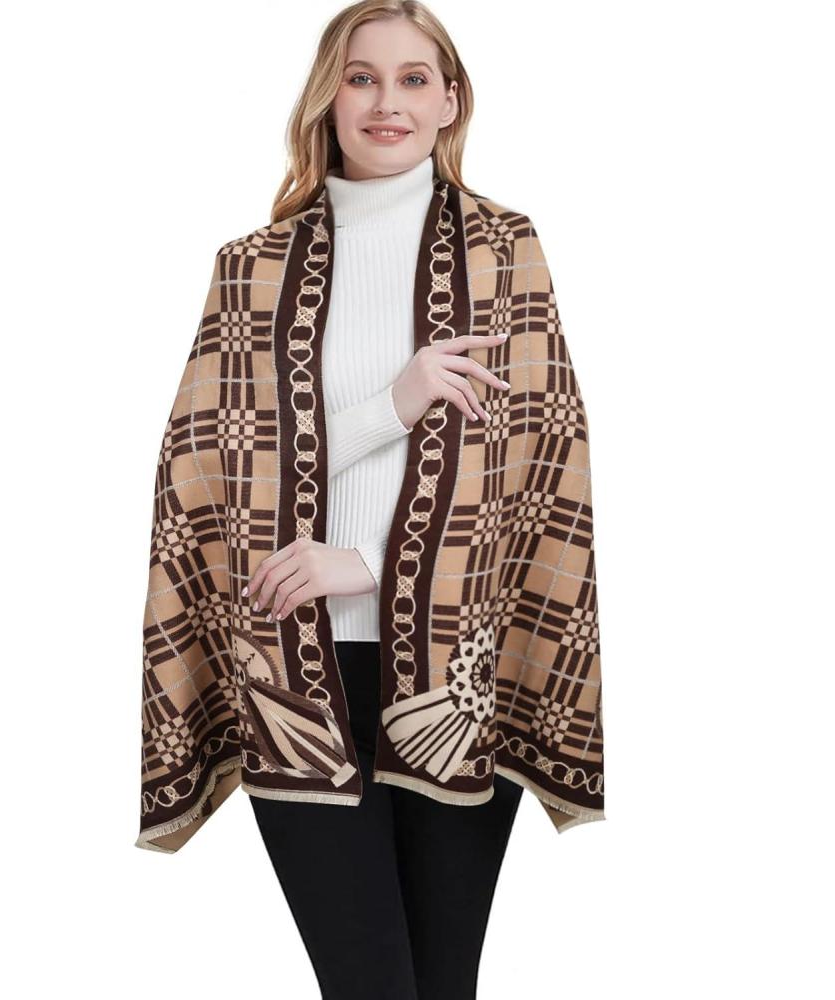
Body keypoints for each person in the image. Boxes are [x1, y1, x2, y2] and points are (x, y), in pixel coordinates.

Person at [241, 4, 524, 998]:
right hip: (294, 660)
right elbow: (223, 465)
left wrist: (363, 563)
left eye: (413, 79)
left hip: (455, 669)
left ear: (450, 101)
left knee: (441, 986)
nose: (386, 102)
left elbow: (523, 472)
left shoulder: (504, 251)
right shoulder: (252, 267)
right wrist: (392, 404)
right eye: (361, 77)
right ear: (329, 96)